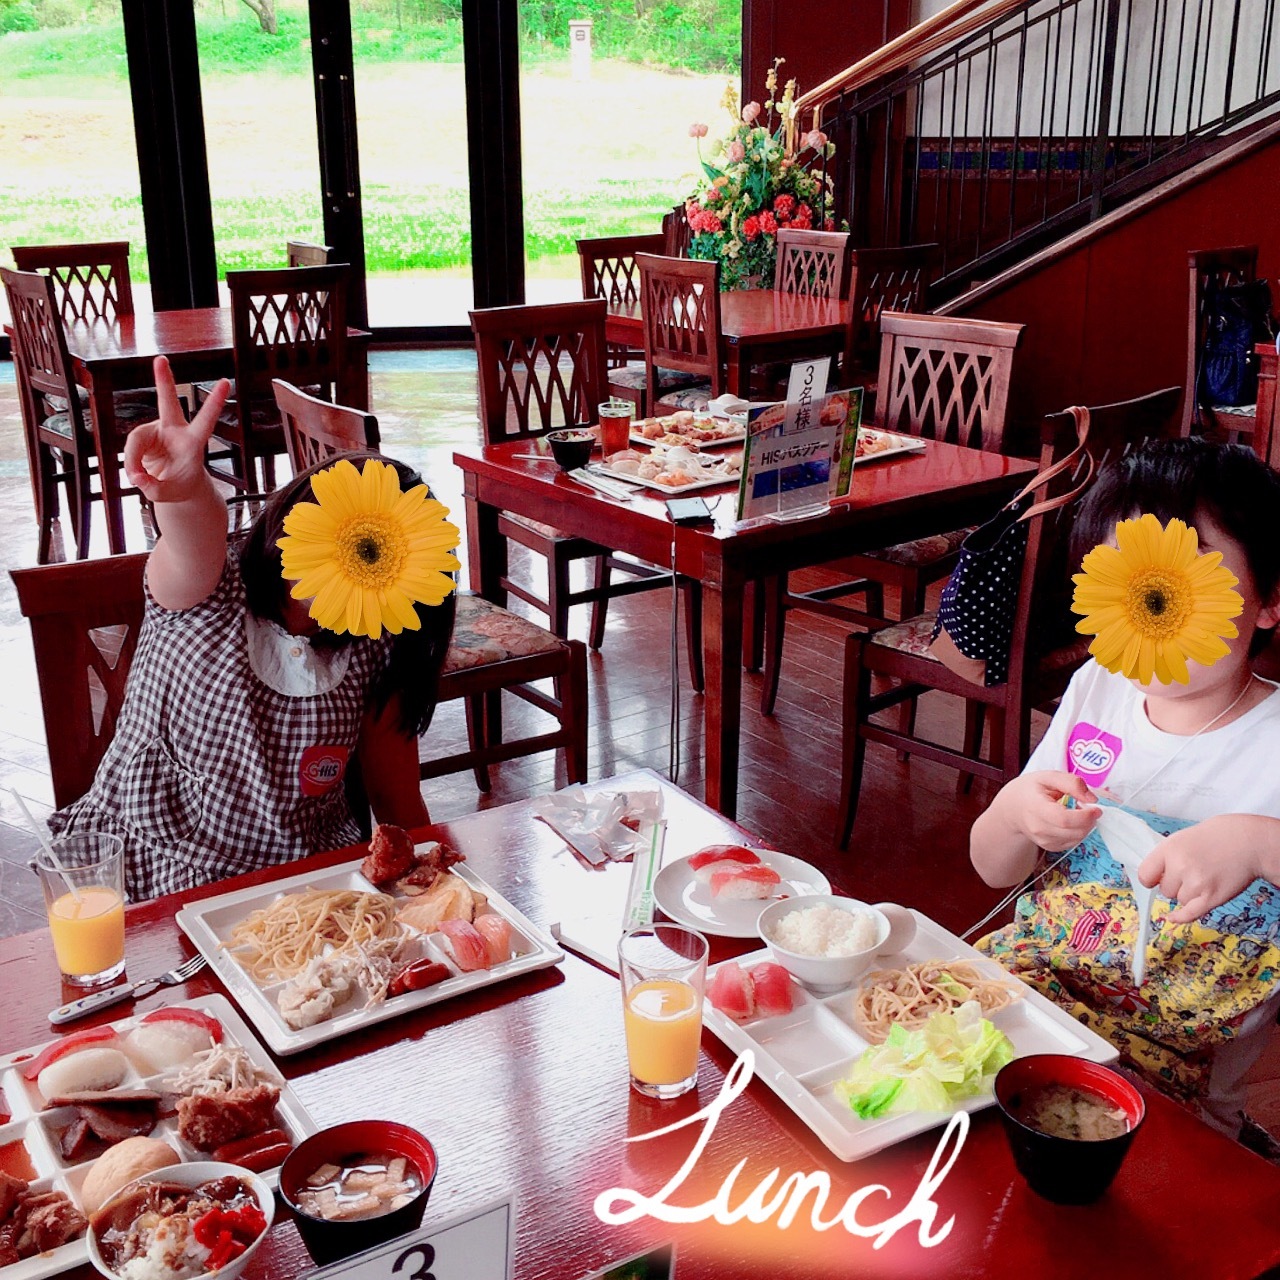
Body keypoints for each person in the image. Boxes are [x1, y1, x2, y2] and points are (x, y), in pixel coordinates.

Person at [48, 357, 456, 901]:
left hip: (304, 889)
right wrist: (186, 493)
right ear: (296, 519)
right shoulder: (211, 590)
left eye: (383, 557)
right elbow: (194, 540)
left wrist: (440, 897)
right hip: (153, 876)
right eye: (342, 532)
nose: (353, 558)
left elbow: (399, 804)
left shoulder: (376, 645)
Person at [970, 438, 1280, 1137]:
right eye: (1125, 575)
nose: (1152, 598)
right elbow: (992, 868)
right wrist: (1015, 813)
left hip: (1169, 1089)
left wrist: (1261, 846)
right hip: (1027, 1011)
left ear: (1269, 599)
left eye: (1186, 571)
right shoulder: (1098, 689)